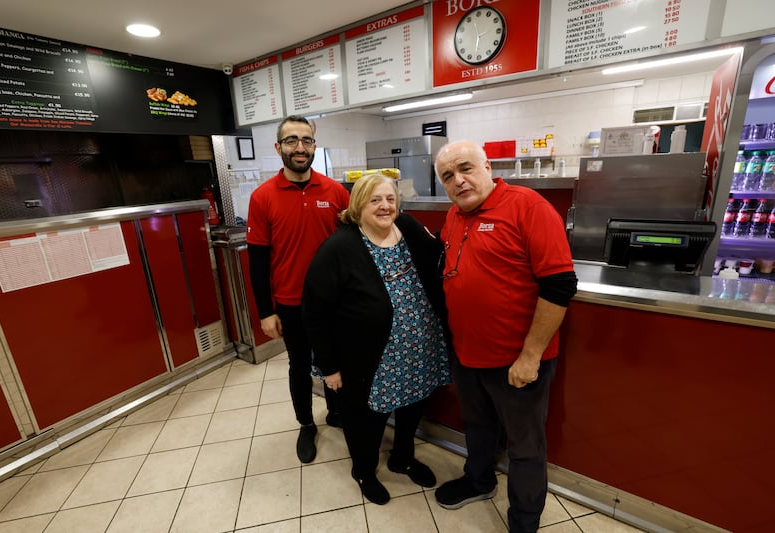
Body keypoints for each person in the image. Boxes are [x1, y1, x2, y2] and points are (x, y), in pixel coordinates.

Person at [432, 140, 577, 532]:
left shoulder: (529, 208)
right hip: (467, 354)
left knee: (525, 447)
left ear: (488, 166)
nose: (458, 181)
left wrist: (530, 357)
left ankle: (524, 521)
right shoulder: (454, 215)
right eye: (448, 176)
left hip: (517, 361)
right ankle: (479, 481)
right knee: (477, 425)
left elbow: (560, 286)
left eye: (465, 168)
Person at [302, 173, 451, 505]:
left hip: (420, 347)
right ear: (358, 205)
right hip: (370, 356)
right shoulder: (339, 248)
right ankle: (364, 471)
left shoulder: (409, 228)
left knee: (414, 406)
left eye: (390, 199)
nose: (385, 206)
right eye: (375, 200)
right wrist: (329, 367)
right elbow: (314, 312)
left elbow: (440, 251)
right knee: (366, 419)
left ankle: (402, 458)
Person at [246, 115, 350, 464]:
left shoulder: (335, 192)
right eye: (291, 141)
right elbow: (258, 261)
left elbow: (352, 247)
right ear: (279, 148)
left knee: (335, 360)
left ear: (314, 147)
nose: (300, 147)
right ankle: (306, 424)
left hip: (335, 303)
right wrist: (265, 311)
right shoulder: (263, 198)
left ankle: (337, 412)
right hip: (291, 303)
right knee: (300, 365)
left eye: (306, 140)